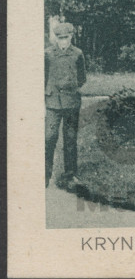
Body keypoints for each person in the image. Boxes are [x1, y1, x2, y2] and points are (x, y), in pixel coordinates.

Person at [45, 22, 86, 189]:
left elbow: (82, 78)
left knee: (70, 139)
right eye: (60, 38)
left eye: (66, 38)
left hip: (71, 102)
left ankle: (70, 175)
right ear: (56, 38)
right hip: (53, 102)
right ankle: (45, 174)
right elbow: (42, 76)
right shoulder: (48, 54)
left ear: (71, 37)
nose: (63, 41)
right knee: (49, 138)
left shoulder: (77, 54)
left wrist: (70, 87)